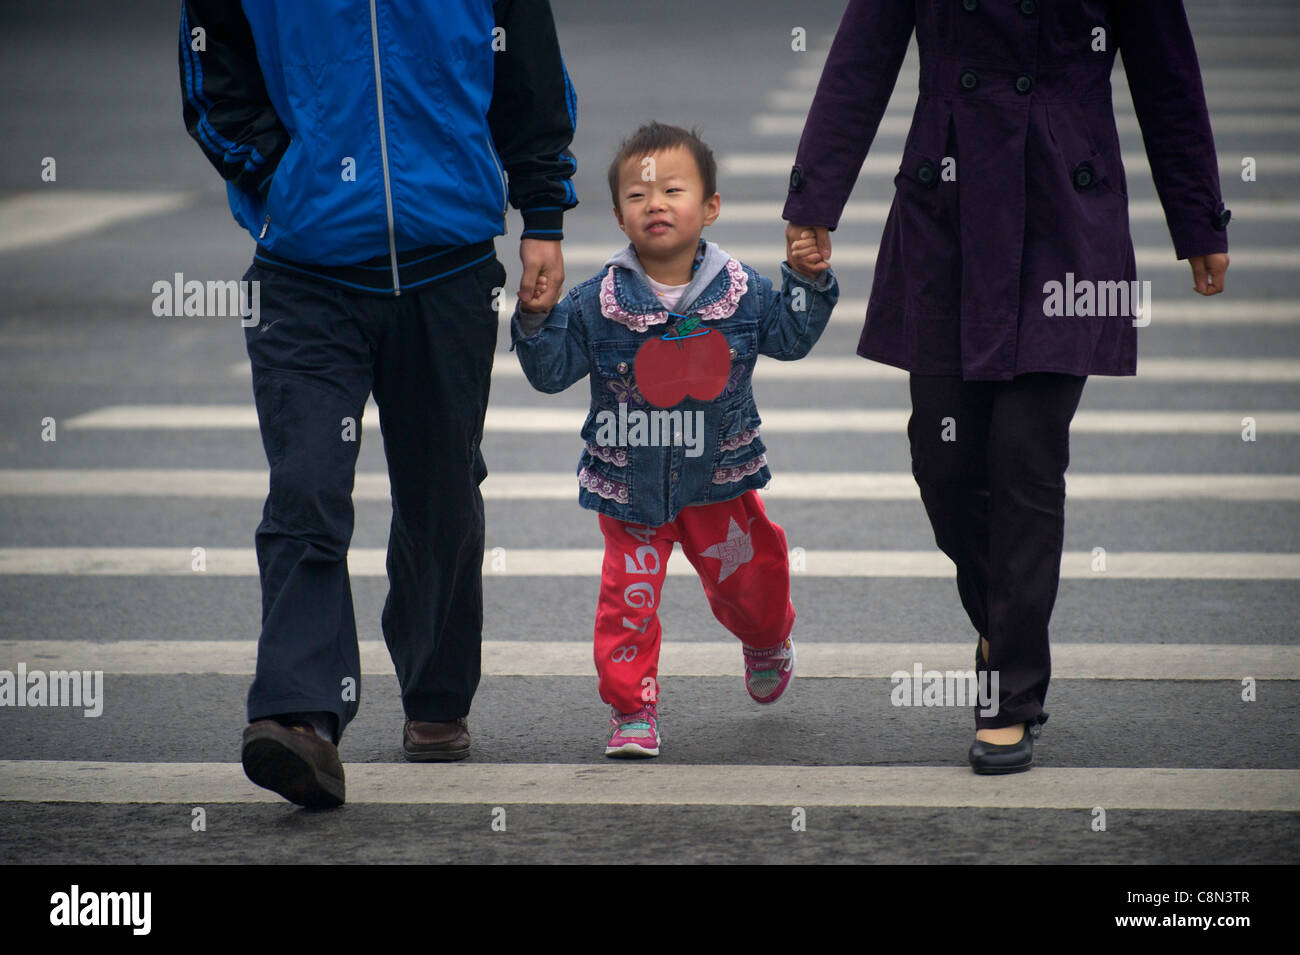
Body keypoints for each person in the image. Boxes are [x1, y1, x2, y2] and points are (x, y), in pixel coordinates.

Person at [783, 1, 1230, 773]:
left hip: (1067, 213)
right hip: (945, 207)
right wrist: (814, 202)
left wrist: (1199, 221)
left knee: (1026, 456)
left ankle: (1010, 692)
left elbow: (1168, 76)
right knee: (944, 458)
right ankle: (1003, 619)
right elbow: (863, 56)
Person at [179, 0, 577, 807]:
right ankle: (299, 716)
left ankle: (435, 694)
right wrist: (281, 172)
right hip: (306, 272)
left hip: (450, 261)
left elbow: (528, 67)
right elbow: (212, 67)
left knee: (441, 490)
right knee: (307, 486)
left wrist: (543, 214)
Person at [512, 122, 837, 757]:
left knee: (754, 584)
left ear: (710, 207)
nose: (654, 203)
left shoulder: (741, 292)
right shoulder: (596, 301)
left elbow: (792, 339)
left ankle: (768, 638)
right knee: (626, 604)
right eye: (637, 196)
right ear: (617, 217)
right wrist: (533, 315)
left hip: (720, 483)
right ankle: (632, 711)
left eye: (672, 190)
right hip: (631, 489)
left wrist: (807, 279)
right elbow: (550, 372)